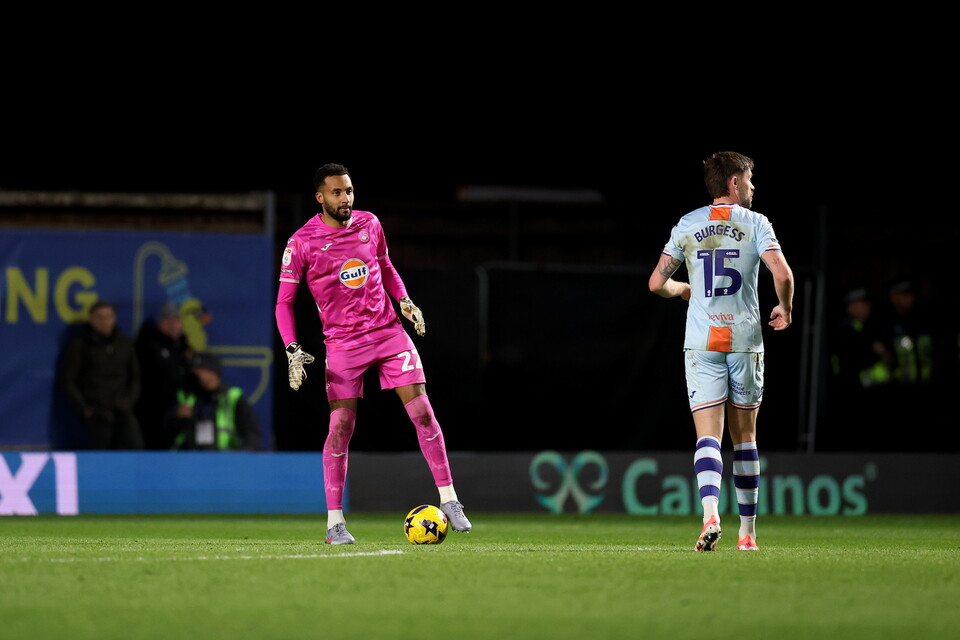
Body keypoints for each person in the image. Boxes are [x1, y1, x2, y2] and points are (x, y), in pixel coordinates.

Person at [275, 162, 471, 544]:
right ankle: (334, 524)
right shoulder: (302, 242)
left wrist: (404, 300)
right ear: (320, 197)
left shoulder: (370, 223)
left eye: (348, 191)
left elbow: (385, 265)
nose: (345, 198)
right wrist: (291, 348)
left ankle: (449, 499)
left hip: (387, 332)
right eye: (336, 192)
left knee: (423, 411)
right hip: (343, 344)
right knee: (340, 428)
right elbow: (284, 302)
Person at [648, 151, 794, 552]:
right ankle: (747, 534)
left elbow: (656, 282)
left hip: (702, 342)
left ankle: (710, 513)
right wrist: (785, 306)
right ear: (732, 182)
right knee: (745, 439)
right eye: (749, 179)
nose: (752, 186)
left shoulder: (688, 224)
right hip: (745, 341)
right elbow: (782, 274)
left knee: (707, 437)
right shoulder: (756, 224)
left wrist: (681, 289)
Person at [59, 299, 144, 449]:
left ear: (114, 319)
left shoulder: (125, 344)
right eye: (99, 317)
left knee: (134, 446)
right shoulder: (80, 345)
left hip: (122, 409)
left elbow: (135, 377)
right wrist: (84, 408)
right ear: (91, 319)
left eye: (108, 316)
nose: (104, 321)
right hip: (96, 411)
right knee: (101, 453)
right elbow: (68, 380)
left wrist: (129, 401)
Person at [166, 352, 262, 451]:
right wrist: (177, 416)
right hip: (189, 459)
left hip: (224, 460)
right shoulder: (185, 396)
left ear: (214, 373)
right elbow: (163, 432)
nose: (195, 373)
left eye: (201, 369)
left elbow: (252, 434)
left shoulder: (233, 397)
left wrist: (239, 457)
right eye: (193, 369)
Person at [135, 301, 193, 450]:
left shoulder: (183, 347)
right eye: (168, 320)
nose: (174, 325)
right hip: (153, 411)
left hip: (179, 409)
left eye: (177, 320)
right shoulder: (148, 345)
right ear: (160, 323)